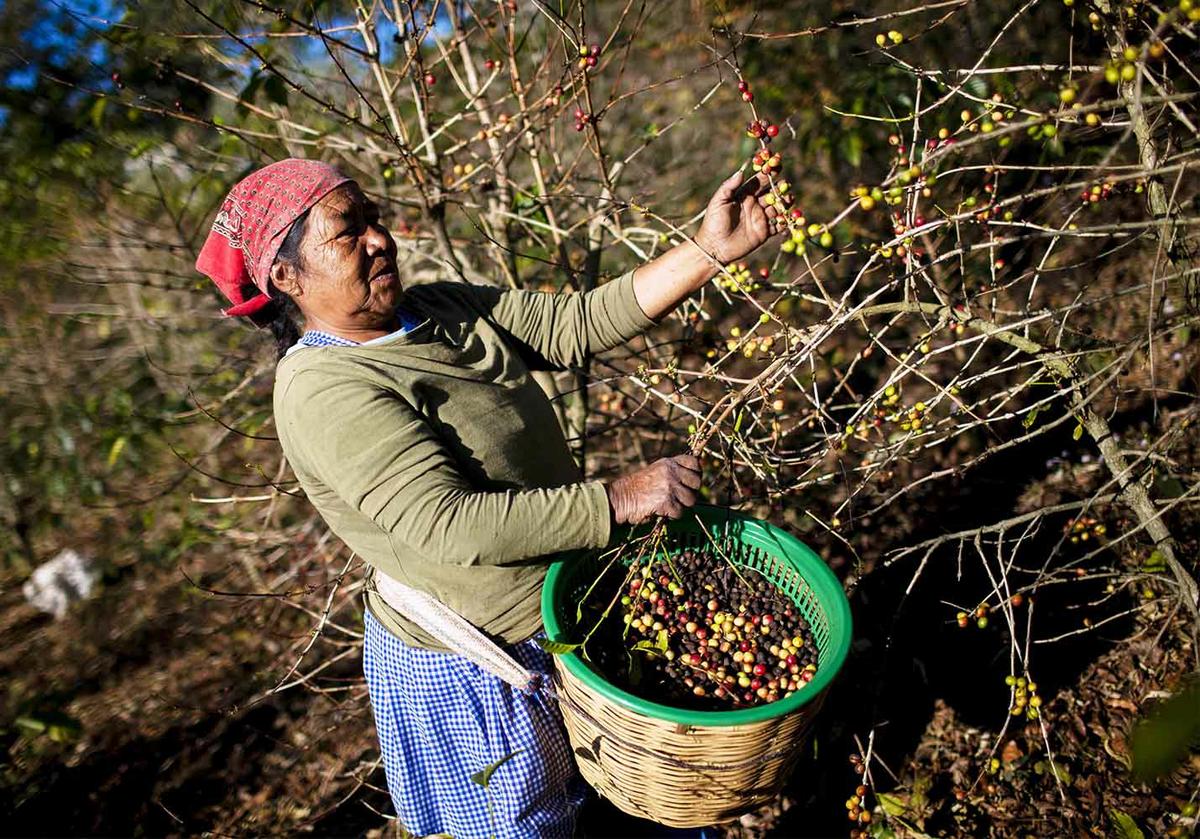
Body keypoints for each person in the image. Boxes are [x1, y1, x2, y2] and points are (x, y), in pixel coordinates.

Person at [195, 157, 779, 838]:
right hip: (485, 662)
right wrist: (619, 498)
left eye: (374, 219)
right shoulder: (323, 389)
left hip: (567, 608)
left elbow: (575, 324)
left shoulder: (436, 309)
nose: (380, 239)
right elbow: (450, 525)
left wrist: (710, 250)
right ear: (285, 277)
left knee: (638, 804)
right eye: (346, 233)